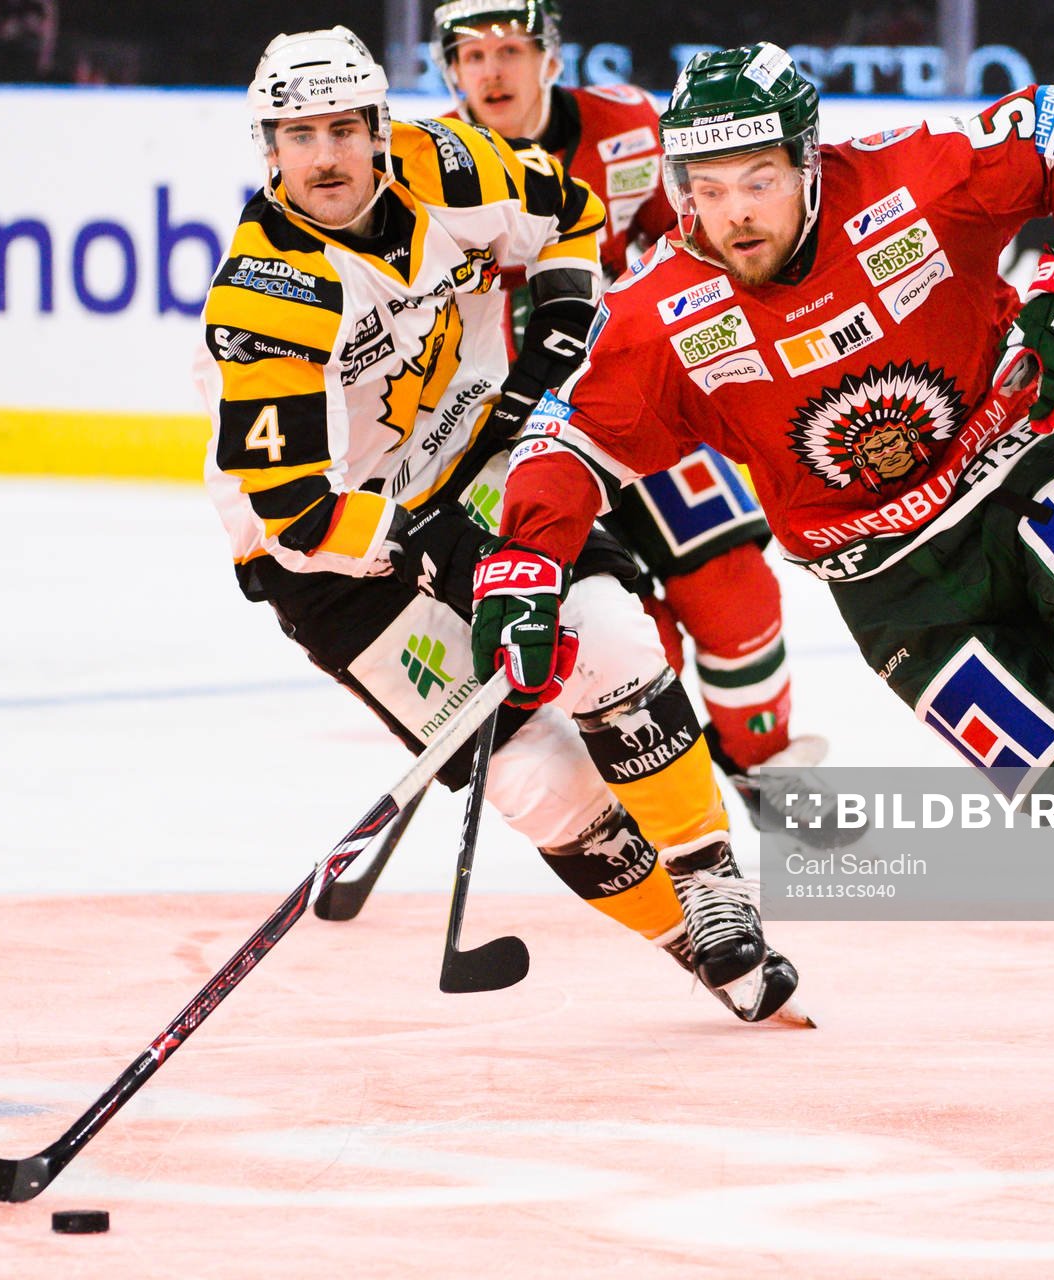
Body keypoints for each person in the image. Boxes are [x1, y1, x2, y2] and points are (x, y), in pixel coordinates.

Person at [475, 43, 1054, 1089]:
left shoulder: (910, 179)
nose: (736, 214)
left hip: (1025, 465)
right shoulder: (667, 310)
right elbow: (571, 442)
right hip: (896, 589)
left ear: (809, 161)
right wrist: (524, 566)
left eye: (759, 180)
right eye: (706, 190)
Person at [202, 26, 805, 1022]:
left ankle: (712, 883)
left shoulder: (447, 163)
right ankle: (691, 944)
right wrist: (438, 553)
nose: (324, 156)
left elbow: (568, 211)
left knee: (609, 636)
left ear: (378, 128)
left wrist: (564, 311)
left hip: (474, 457)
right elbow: (295, 510)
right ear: (269, 147)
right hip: (327, 553)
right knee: (536, 780)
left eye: (344, 128)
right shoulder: (268, 302)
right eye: (298, 134)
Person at [430, 0, 852, 841]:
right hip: (515, 435)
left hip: (645, 396)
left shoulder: (629, 126)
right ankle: (665, 795)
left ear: (550, 57)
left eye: (511, 48)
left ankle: (762, 764)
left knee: (732, 582)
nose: (492, 71)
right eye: (471, 55)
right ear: (449, 70)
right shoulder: (432, 166)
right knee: (618, 625)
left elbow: (697, 245)